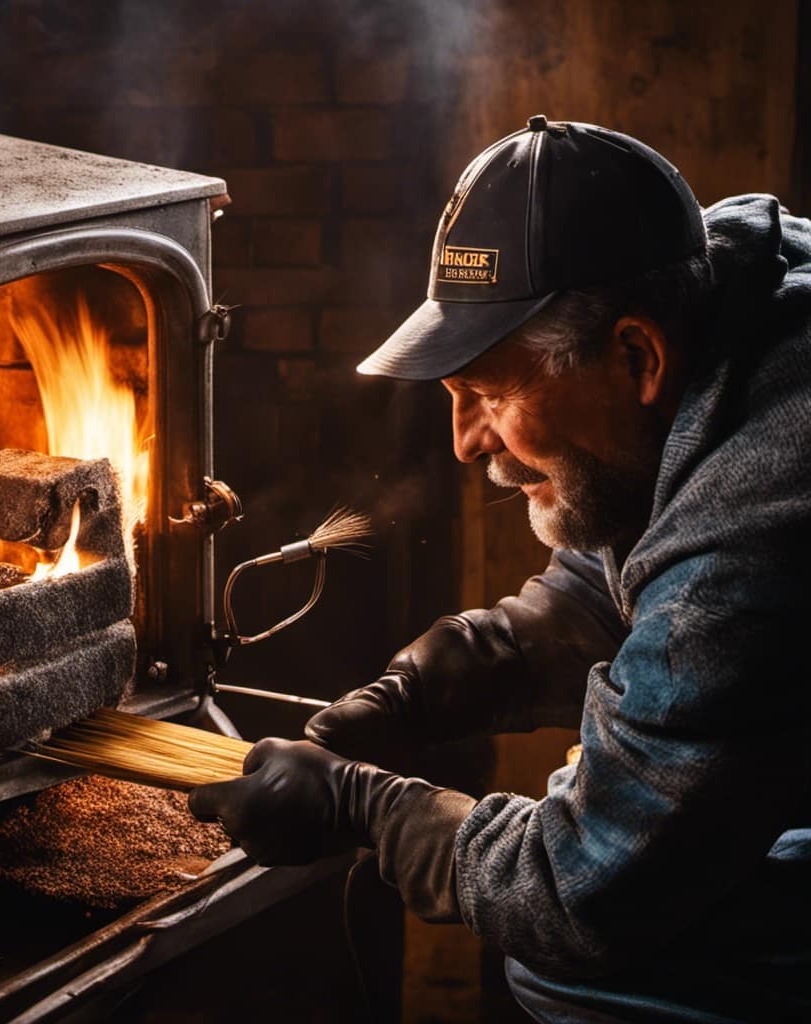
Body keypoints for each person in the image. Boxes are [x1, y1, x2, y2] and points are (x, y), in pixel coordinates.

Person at [189, 115, 811, 1023]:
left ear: (636, 356)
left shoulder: (758, 526)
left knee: (576, 968)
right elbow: (638, 574)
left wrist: (363, 808)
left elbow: (578, 889)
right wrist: (437, 683)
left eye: (488, 393)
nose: (464, 441)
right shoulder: (725, 289)